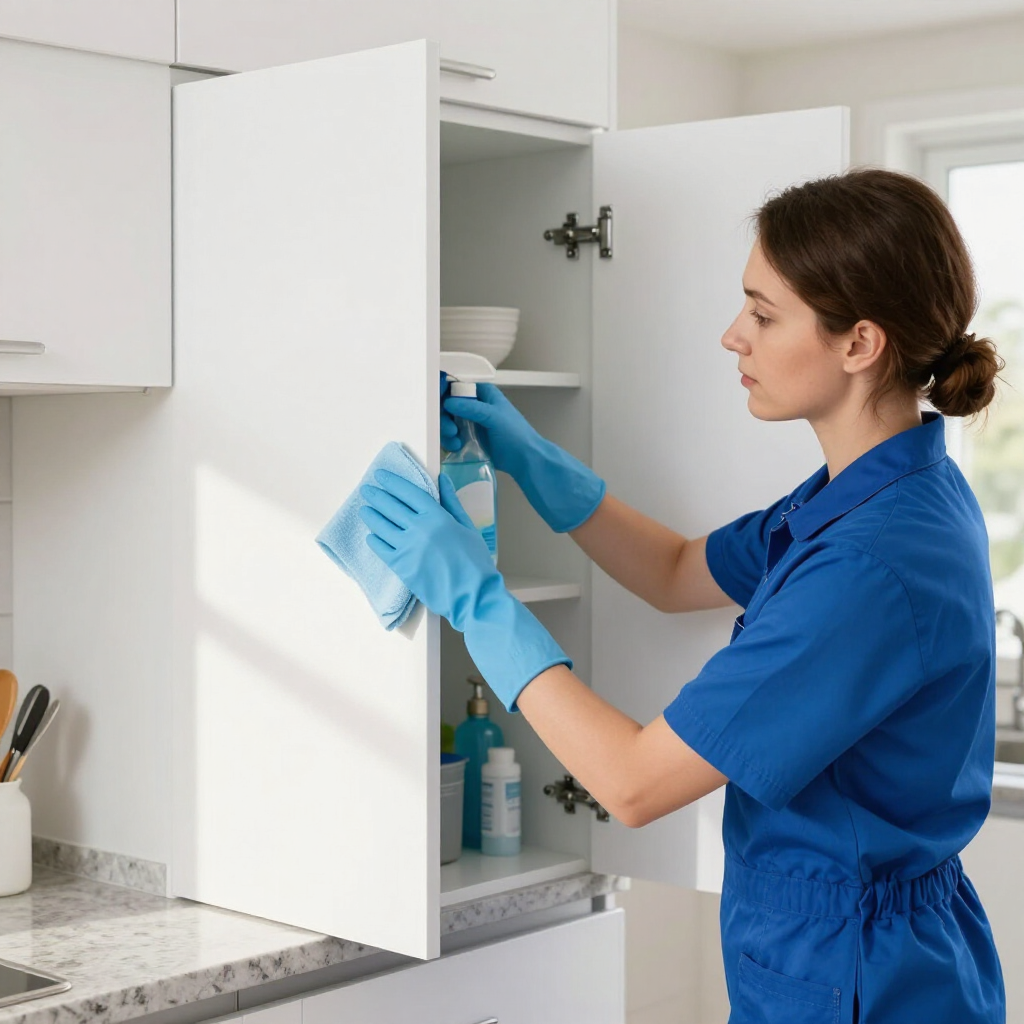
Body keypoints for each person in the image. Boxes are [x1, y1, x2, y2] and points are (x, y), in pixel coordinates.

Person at [358, 168, 1006, 1024]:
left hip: (858, 978)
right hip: (861, 951)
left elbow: (630, 784)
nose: (732, 336)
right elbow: (674, 570)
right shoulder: (888, 491)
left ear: (859, 343)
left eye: (764, 315)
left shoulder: (869, 568)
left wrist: (478, 599)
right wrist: (530, 459)